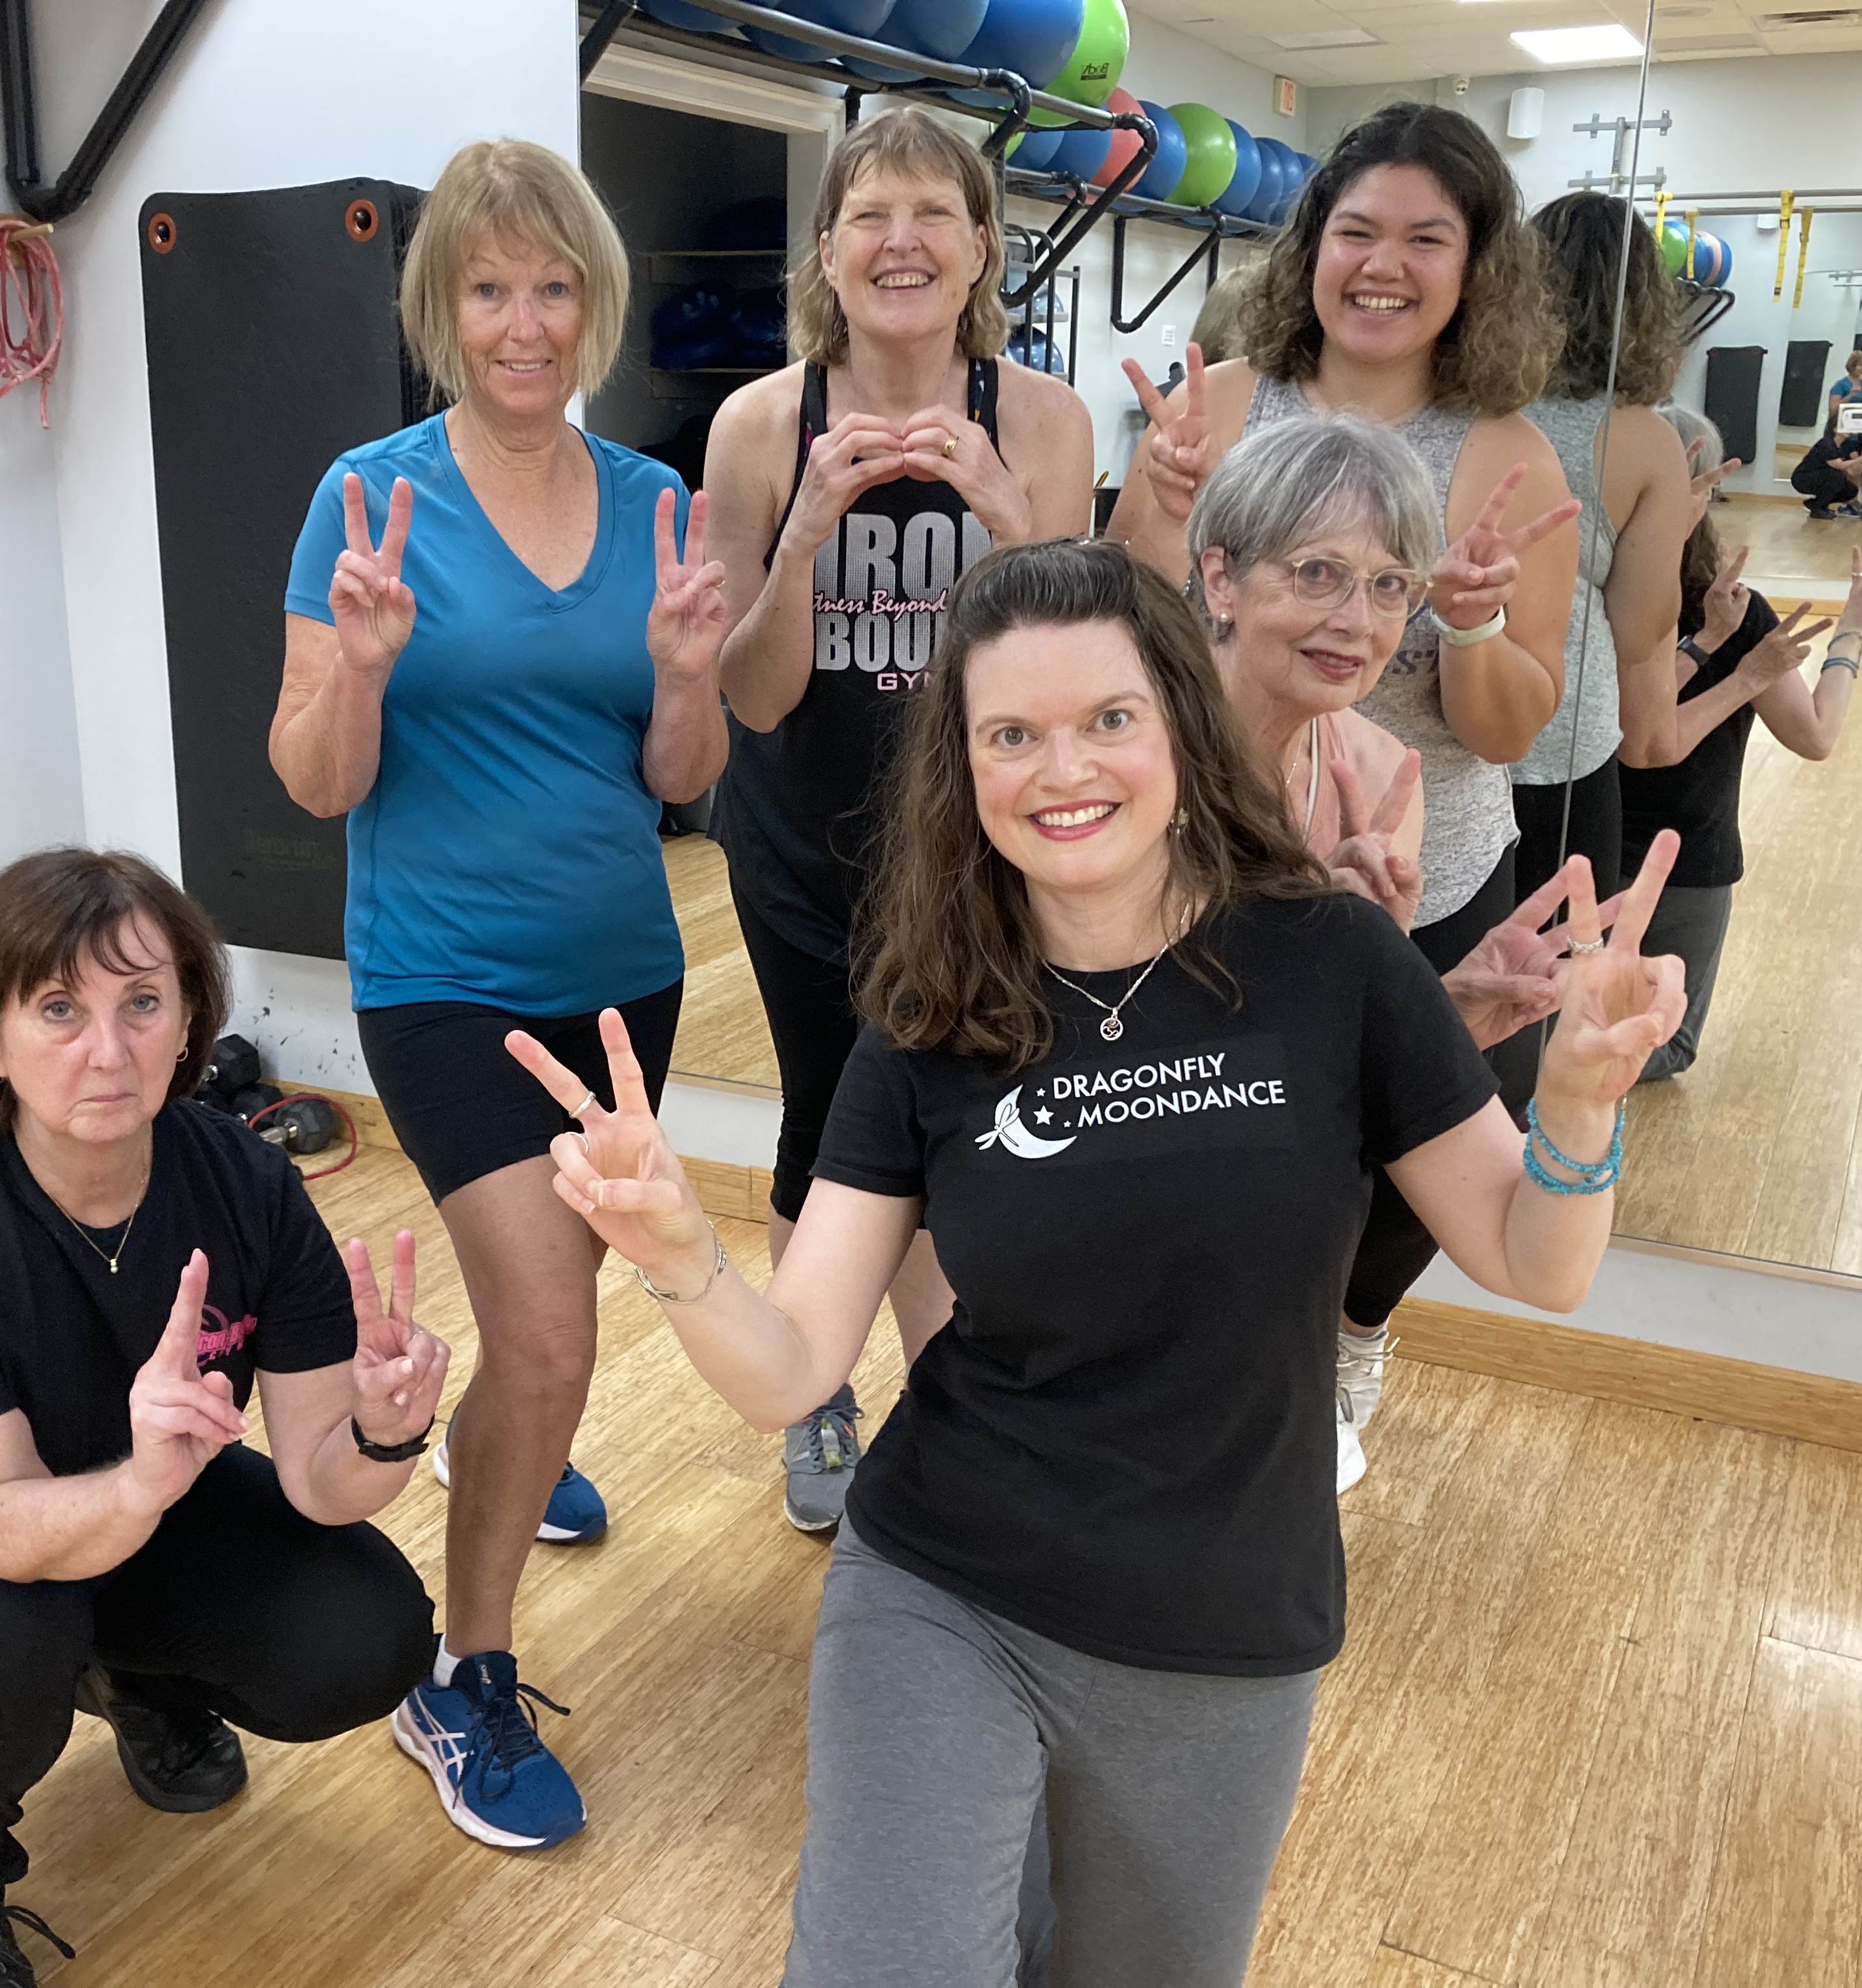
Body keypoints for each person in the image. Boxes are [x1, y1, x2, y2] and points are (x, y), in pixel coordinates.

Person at [507, 538, 1683, 1988]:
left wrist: (1576, 1108)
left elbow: (1533, 1260)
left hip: (1223, 1620)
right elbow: (793, 1369)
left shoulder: (1333, 963)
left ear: (1179, 724)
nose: (1062, 771)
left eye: (1107, 719)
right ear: (964, 767)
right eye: (1012, 734)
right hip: (948, 1583)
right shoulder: (931, 1011)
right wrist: (685, 1260)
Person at [0, 850, 442, 1988]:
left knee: (365, 1629)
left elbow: (325, 1484)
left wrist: (383, 1429)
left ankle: (133, 1677)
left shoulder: (247, 1183)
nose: (109, 1049)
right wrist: (137, 1489)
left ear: (189, 1024)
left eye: (142, 1003)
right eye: (59, 1009)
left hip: (139, 1488)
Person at [271, 137, 729, 1849]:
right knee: (548, 1333)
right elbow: (316, 781)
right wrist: (362, 668)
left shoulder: (653, 499)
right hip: (447, 980)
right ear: (440, 308)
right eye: (488, 289)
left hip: (624, 977)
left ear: (592, 302)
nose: (523, 322)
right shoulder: (366, 499)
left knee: (553, 1327)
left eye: (551, 286)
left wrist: (685, 676)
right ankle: (460, 1678)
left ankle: (507, 1448)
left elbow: (683, 771)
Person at [1106, 99, 1581, 1437]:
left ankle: (1357, 1328)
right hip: (1218, 856)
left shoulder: (1506, 455)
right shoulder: (1223, 402)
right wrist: (1158, 504)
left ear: (1474, 270)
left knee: (1430, 1135)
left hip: (1425, 867)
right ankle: (1222, 1358)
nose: (1384, 265)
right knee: (1231, 1135)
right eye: (1357, 230)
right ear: (1310, 244)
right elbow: (1129, 634)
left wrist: (1471, 621)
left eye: (1427, 238)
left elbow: (1509, 732)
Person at [701, 105, 1094, 1532]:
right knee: (828, 1118)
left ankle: (953, 1404)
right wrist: (804, 535)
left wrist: (1006, 514)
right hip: (803, 845)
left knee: (975, 1120)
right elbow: (749, 692)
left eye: (934, 213)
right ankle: (814, 1395)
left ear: (982, 248)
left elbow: (1075, 666)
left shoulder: (1041, 420)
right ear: (828, 250)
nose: (902, 240)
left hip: (979, 852)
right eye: (870, 214)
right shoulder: (761, 424)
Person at [1190, 414, 1611, 1489]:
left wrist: (1453, 1008)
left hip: (1241, 1213)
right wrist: (1296, 954)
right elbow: (1124, 1052)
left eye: (1388, 586)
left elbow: (1310, 1082)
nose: (1357, 620)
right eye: (1318, 573)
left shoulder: (1379, 773)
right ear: (1220, 577)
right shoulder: (1121, 746)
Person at [1621, 412, 1862, 1077]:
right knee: (1664, 1044)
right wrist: (1852, 632)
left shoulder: (1594, 597)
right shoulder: (1737, 613)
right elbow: (1816, 736)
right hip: (1680, 861)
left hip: (1587, 852)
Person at [1510, 192, 1696, 905]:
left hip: (1442, 740)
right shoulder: (1645, 438)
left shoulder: (1463, 406)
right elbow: (1638, 634)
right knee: (1553, 964)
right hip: (1560, 749)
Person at [1792, 410, 1862, 520]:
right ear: (1835, 429)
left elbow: (1853, 471)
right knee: (1837, 476)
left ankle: (1817, 504)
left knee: (1851, 490)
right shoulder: (1826, 444)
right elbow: (1840, 466)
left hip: (1822, 477)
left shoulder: (1847, 445)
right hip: (1803, 479)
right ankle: (1818, 509)